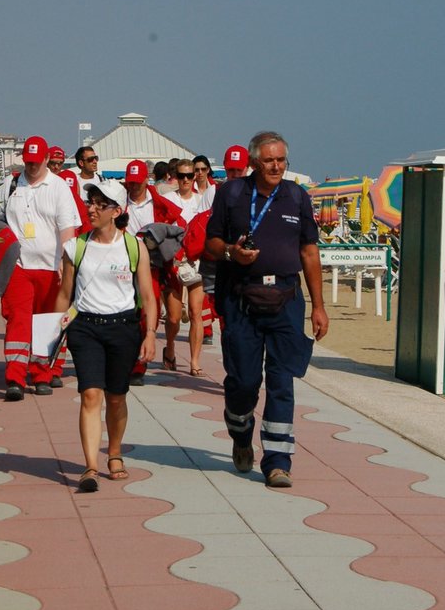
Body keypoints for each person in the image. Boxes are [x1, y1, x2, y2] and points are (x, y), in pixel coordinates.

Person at [205, 130, 328, 488]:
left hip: (286, 300)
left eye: (282, 160)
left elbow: (309, 252)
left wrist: (318, 307)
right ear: (254, 161)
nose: (276, 166)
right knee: (243, 382)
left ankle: (277, 461)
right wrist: (232, 252)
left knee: (281, 380)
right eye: (269, 160)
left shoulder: (297, 197)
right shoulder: (231, 194)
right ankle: (241, 436)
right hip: (241, 299)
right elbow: (211, 244)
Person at [55, 180, 157, 492]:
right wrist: (52, 332)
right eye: (91, 202)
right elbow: (64, 294)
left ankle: (114, 453)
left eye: (100, 204)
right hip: (85, 327)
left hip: (123, 327)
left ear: (116, 211)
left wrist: (150, 334)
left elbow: (148, 296)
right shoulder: (76, 246)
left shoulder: (133, 246)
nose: (92, 209)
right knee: (90, 395)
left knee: (116, 397)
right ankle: (90, 466)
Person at [0, 136, 80, 401]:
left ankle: (42, 374)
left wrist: (65, 264)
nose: (32, 167)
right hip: (18, 266)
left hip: (51, 268)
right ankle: (15, 377)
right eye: (28, 161)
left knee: (47, 323)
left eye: (37, 162)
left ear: (47, 159)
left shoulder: (58, 188)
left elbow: (67, 230)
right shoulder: (10, 185)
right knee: (18, 320)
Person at [123, 159, 185, 384]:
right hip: (122, 265)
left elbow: (177, 228)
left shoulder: (159, 203)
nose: (133, 187)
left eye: (137, 183)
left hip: (151, 267)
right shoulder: (119, 202)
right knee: (124, 314)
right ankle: (124, 360)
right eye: (130, 182)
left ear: (146, 180)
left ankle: (139, 365)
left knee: (148, 313)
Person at [163, 160, 206, 375]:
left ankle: (194, 361)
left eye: (191, 175)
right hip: (173, 263)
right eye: (182, 176)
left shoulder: (202, 201)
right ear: (175, 177)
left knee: (196, 312)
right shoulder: (168, 200)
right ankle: (170, 348)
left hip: (196, 262)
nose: (187, 180)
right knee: (173, 317)